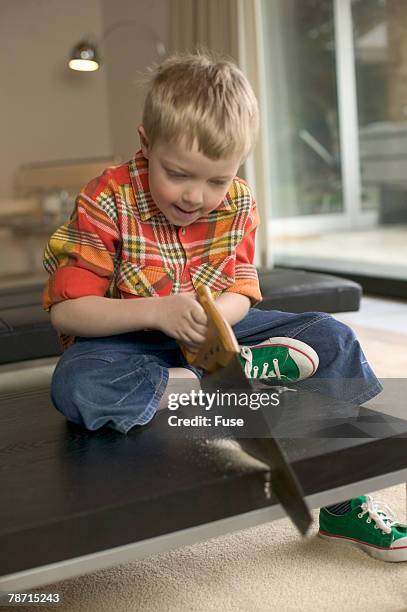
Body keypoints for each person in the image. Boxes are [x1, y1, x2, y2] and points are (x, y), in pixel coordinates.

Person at [42, 49, 406, 562]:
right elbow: (69, 311)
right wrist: (159, 311)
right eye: (179, 174)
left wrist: (221, 332)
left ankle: (342, 501)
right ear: (146, 144)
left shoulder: (238, 202)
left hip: (219, 335)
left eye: (216, 179)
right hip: (129, 342)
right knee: (77, 386)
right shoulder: (106, 199)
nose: (196, 196)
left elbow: (240, 291)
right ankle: (202, 387)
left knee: (332, 337)